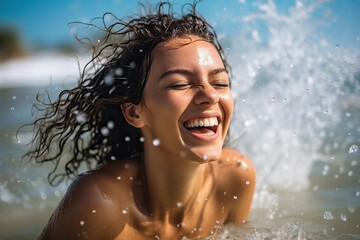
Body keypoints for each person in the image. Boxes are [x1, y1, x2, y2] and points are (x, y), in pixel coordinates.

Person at [26, 1, 255, 239]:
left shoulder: (236, 178)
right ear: (135, 113)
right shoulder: (99, 203)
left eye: (220, 83)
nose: (210, 95)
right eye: (179, 84)